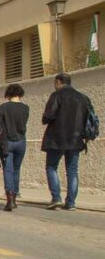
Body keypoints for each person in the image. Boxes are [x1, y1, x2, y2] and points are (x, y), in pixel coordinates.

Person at [42, 73, 91, 211]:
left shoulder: (56, 95)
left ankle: (56, 198)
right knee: (72, 171)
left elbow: (48, 116)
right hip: (76, 139)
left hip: (56, 138)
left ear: (58, 82)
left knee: (51, 167)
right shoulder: (82, 98)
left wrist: (45, 118)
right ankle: (71, 202)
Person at [0, 84, 29, 211]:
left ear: (8, 94)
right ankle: (14, 197)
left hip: (7, 142)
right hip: (21, 142)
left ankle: (9, 199)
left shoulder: (3, 107)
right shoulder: (26, 108)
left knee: (8, 170)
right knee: (16, 170)